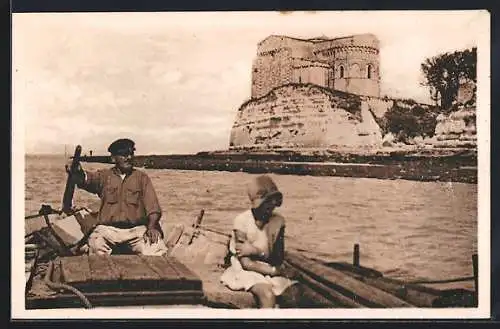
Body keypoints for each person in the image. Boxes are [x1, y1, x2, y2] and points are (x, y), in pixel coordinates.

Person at [66, 138, 168, 256]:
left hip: (136, 230)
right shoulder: (104, 176)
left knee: (157, 249)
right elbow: (85, 179)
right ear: (113, 158)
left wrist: (151, 227)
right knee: (95, 243)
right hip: (108, 230)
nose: (129, 157)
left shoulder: (142, 178)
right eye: (124, 154)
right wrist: (76, 171)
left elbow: (153, 208)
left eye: (131, 153)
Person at [220, 175, 297, 308]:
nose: (271, 206)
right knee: (267, 294)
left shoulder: (279, 221)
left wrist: (256, 251)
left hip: (269, 268)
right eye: (267, 201)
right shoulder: (242, 221)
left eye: (273, 201)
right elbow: (246, 263)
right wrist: (275, 271)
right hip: (246, 272)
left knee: (295, 293)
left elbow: (278, 258)